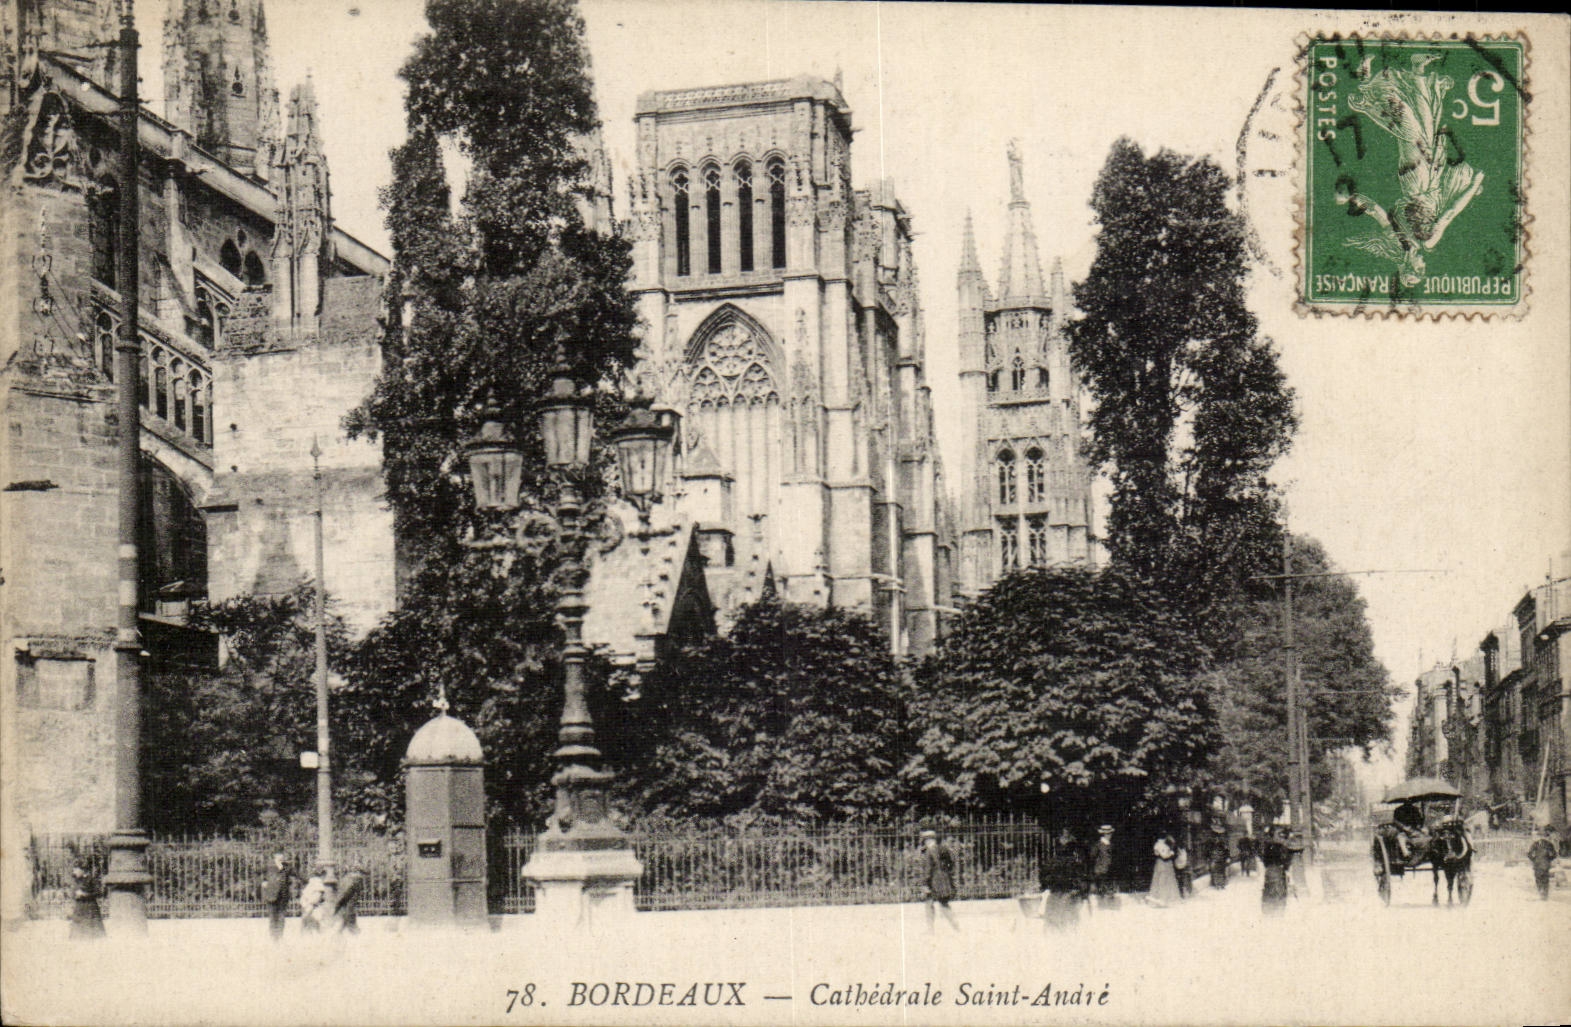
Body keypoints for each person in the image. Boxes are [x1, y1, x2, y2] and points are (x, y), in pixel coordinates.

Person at [919, 829, 960, 932]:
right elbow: (951, 863)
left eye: (925, 841)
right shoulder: (943, 849)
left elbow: (928, 870)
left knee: (929, 903)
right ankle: (956, 926)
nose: (925, 843)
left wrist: (924, 883)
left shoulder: (929, 852)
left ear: (928, 841)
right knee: (943, 903)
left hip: (933, 881)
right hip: (944, 879)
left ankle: (930, 929)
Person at [260, 851, 297, 942]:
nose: (281, 856)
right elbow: (256, 872)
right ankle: (273, 938)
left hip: (283, 895)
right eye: (279, 854)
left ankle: (279, 937)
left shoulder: (287, 866)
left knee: (281, 917)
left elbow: (297, 874)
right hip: (271, 894)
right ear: (275, 855)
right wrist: (263, 882)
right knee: (272, 917)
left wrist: (311, 879)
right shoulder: (268, 865)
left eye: (282, 854)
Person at [68, 858, 106, 940]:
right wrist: (74, 894)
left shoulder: (91, 880)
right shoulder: (77, 880)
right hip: (79, 909)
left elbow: (99, 892)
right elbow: (73, 892)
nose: (74, 872)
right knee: (77, 934)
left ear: (83, 870)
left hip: (90, 909)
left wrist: (85, 894)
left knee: (92, 934)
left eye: (76, 870)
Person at [1259, 827, 1291, 915]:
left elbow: (1264, 860)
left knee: (1269, 890)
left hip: (1269, 870)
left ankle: (1268, 911)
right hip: (1279, 871)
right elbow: (1286, 861)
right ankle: (1279, 912)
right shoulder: (1283, 848)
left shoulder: (1267, 846)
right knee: (1280, 891)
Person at [1147, 835, 1181, 907]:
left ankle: (1164, 899)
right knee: (1162, 880)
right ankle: (1163, 899)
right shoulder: (1161, 845)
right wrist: (1171, 853)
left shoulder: (1158, 844)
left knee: (1163, 880)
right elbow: (1164, 856)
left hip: (1163, 863)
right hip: (1163, 863)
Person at [1091, 825, 1118, 909]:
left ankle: (1108, 909)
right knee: (1101, 892)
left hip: (1110, 871)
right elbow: (1092, 856)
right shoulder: (1098, 845)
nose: (1110, 835)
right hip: (1100, 871)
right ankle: (1101, 909)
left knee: (1110, 892)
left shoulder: (1111, 845)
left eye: (1110, 833)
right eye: (1108, 834)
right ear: (1104, 835)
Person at [1527, 827, 1558, 900]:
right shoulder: (1549, 844)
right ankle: (1544, 894)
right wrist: (1549, 859)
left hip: (1538, 865)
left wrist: (1534, 859)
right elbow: (1554, 854)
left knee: (1539, 879)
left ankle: (1542, 892)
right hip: (1545, 865)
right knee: (1545, 879)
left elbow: (1529, 854)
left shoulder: (1535, 844)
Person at [333, 865, 365, 934]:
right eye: (360, 873)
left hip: (346, 907)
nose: (361, 875)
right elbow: (344, 894)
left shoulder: (350, 880)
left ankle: (334, 940)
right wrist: (337, 904)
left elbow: (343, 894)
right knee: (351, 927)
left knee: (342, 926)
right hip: (348, 907)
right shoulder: (352, 881)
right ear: (356, 872)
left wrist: (337, 905)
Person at [298, 868, 327, 933]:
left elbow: (304, 896)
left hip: (305, 906)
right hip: (313, 909)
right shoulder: (319, 885)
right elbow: (316, 899)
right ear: (322, 875)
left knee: (306, 927)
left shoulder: (311, 883)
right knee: (316, 928)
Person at [1208, 822, 1230, 889]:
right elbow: (1208, 850)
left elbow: (1226, 850)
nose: (1217, 836)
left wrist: (1227, 856)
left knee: (1220, 871)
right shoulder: (1211, 842)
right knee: (1217, 871)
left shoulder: (1222, 842)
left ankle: (1221, 884)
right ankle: (1218, 884)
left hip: (1219, 858)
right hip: (1216, 858)